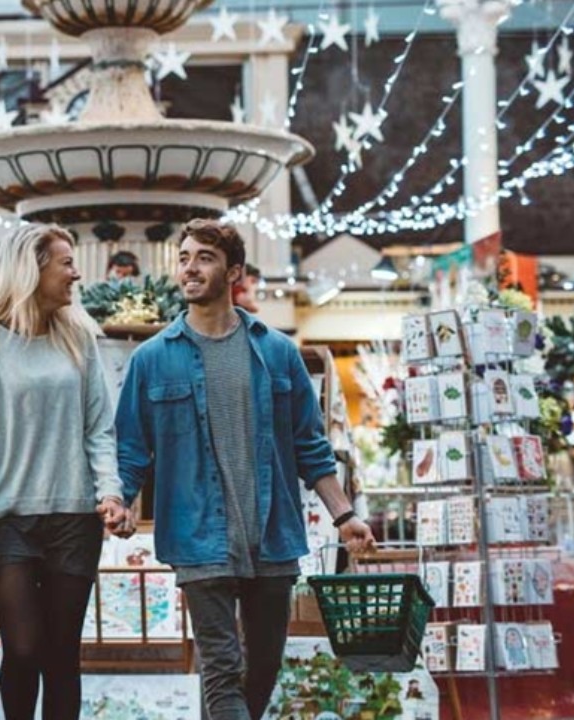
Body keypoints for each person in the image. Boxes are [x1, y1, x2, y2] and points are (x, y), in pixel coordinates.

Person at [98, 218, 374, 720]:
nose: (190, 268)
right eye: (183, 258)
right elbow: (131, 449)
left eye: (203, 257)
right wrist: (119, 500)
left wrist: (344, 515)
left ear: (234, 272)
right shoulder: (152, 360)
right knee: (221, 669)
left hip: (272, 537)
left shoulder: (277, 354)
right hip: (198, 539)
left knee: (263, 667)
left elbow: (311, 446)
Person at [0, 222, 128, 720]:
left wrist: (110, 493)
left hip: (74, 519)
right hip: (9, 522)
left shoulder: (78, 336)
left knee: (60, 657)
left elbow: (99, 427)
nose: (77, 274)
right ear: (32, 268)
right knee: (24, 648)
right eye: (66, 262)